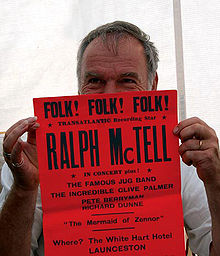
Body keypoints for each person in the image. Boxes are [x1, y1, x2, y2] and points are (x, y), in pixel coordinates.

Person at [0, 21, 219, 256]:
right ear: (79, 88)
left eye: (127, 80)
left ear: (152, 86)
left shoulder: (183, 158)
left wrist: (215, 182)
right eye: (95, 81)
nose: (109, 96)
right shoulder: (34, 157)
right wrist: (24, 189)